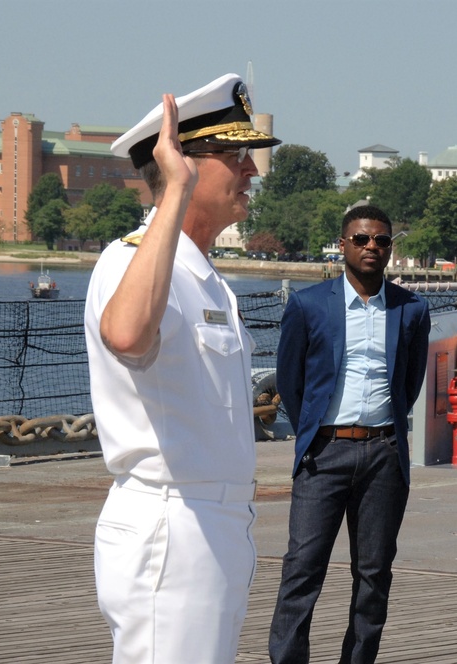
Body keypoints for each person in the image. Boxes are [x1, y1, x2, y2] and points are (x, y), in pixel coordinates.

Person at [84, 73, 280, 663]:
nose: (251, 170)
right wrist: (174, 194)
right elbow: (125, 333)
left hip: (214, 525)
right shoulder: (131, 261)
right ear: (180, 166)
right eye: (234, 154)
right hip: (170, 524)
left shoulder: (203, 275)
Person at [269, 203, 431, 663]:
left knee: (374, 574)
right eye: (361, 239)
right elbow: (290, 381)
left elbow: (410, 380)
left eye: (381, 240)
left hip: (383, 455)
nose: (372, 248)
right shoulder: (308, 305)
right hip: (323, 455)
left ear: (390, 248)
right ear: (343, 245)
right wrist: (316, 432)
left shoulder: (411, 309)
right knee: (302, 570)